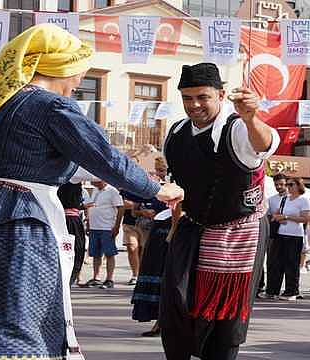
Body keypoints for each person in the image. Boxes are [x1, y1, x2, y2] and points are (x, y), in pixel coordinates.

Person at [0, 24, 184, 360]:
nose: (76, 85)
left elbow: (44, 162)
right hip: (14, 224)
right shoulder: (50, 107)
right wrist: (157, 189)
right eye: (78, 77)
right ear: (62, 68)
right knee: (18, 324)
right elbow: (106, 159)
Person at [160, 62, 279, 360]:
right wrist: (176, 226)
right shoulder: (175, 133)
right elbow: (180, 187)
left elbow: (264, 144)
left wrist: (252, 118)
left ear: (221, 95)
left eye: (202, 97)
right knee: (176, 303)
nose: (194, 104)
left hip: (239, 231)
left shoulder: (238, 128)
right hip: (193, 226)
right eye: (187, 97)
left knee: (226, 319)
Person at [266, 177, 310, 301]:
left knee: (291, 264)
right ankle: (272, 290)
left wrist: (287, 217)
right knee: (276, 263)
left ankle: (291, 291)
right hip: (281, 233)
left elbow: (305, 219)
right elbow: (277, 213)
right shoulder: (285, 199)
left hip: (295, 235)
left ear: (298, 186)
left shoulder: (304, 200)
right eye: (288, 184)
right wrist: (277, 217)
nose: (288, 186)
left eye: (291, 184)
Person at [131, 207, 174, 337]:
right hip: (159, 239)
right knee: (159, 280)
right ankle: (161, 323)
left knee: (167, 283)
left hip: (169, 238)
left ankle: (164, 323)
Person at [84, 179, 124, 289]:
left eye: (94, 181)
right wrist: (88, 223)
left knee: (109, 253)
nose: (92, 182)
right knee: (96, 253)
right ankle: (96, 277)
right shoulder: (95, 191)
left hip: (107, 227)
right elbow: (91, 207)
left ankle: (109, 279)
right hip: (94, 227)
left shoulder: (112, 191)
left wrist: (116, 226)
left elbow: (120, 208)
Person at [258, 173, 288, 295]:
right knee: (272, 262)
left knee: (287, 264)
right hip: (275, 234)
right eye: (277, 185)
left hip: (290, 234)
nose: (279, 187)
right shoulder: (272, 199)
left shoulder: (294, 198)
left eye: (281, 184)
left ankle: (289, 290)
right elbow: (269, 216)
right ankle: (271, 290)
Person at [57, 179, 87, 286]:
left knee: (72, 252)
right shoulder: (72, 176)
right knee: (74, 252)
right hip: (69, 220)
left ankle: (68, 281)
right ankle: (68, 281)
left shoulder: (58, 177)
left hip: (62, 219)